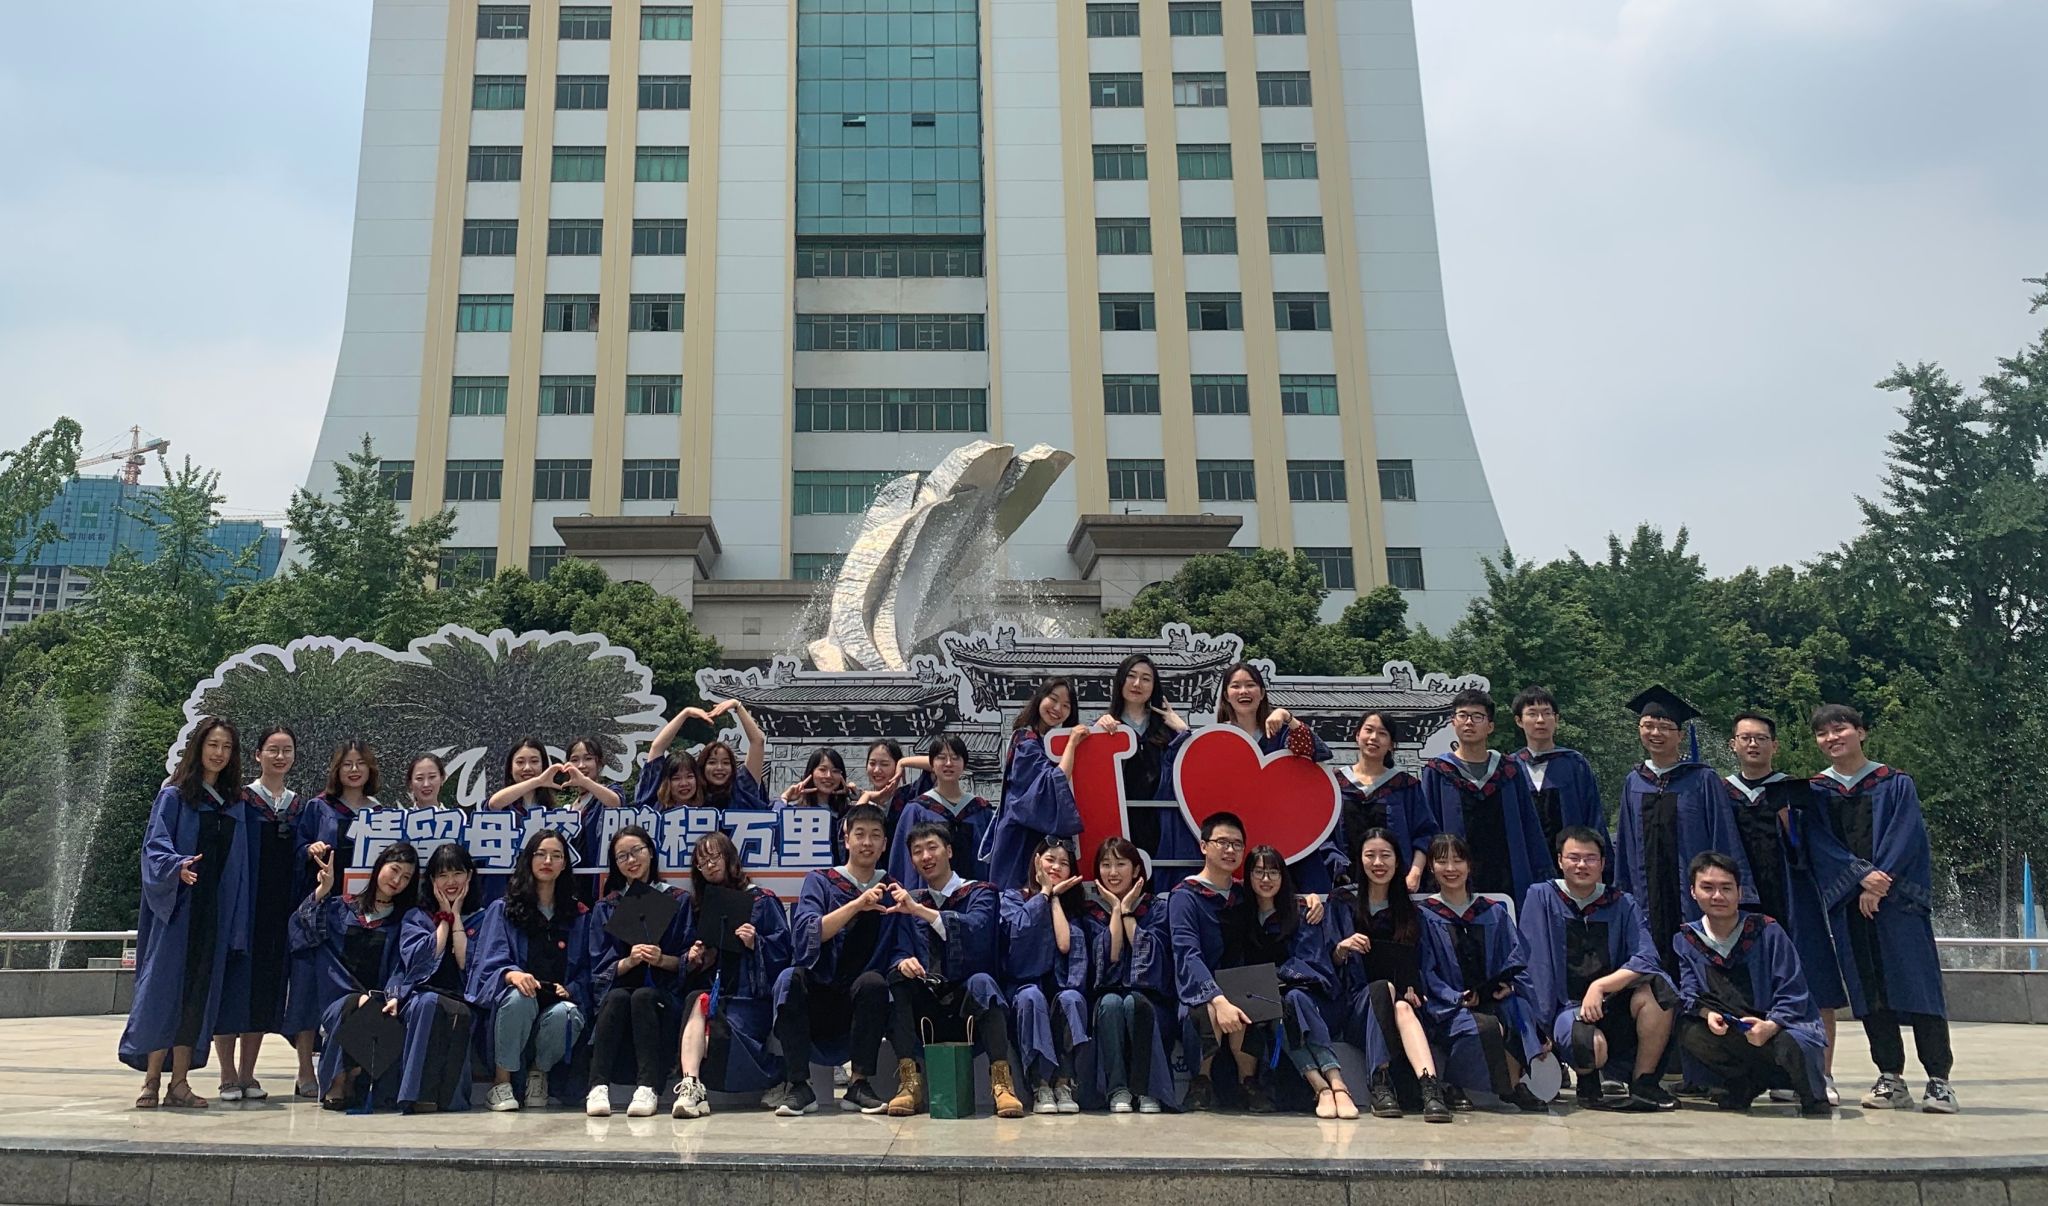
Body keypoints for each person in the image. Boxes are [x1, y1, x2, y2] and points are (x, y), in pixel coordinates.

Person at [1801, 704, 1956, 1114]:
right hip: (1851, 904)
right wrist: (1860, 878)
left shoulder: (1895, 783)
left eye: (1840, 729)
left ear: (1862, 732)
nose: (1832, 738)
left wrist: (1878, 883)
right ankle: (1890, 1076)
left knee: (1919, 988)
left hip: (1899, 904)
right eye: (1823, 733)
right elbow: (1819, 844)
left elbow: (1906, 836)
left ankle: (1939, 1081)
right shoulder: (1817, 791)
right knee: (1869, 992)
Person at [120, 717, 251, 1109]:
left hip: (213, 912)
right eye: (213, 744)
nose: (219, 753)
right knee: (164, 991)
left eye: (226, 747)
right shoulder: (175, 796)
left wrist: (237, 921)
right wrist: (176, 867)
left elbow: (240, 865)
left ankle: (179, 1082)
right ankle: (151, 1080)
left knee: (196, 997)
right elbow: (154, 847)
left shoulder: (233, 803)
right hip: (177, 909)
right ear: (198, 747)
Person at [1725, 710, 1847, 1104]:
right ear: (1733, 745)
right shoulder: (1721, 793)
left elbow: (1816, 849)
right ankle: (1773, 1073)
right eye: (1745, 738)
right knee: (1753, 988)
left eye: (1761, 738)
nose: (1753, 744)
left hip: (1794, 900)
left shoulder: (1797, 790)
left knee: (1814, 983)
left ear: (1774, 745)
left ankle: (1821, 1073)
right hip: (1743, 906)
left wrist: (1789, 825)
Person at [1516, 826, 1677, 1111]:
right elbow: (1535, 965)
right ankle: (1588, 1077)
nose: (1582, 865)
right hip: (1568, 1009)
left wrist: (1600, 986)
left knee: (1659, 991)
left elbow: (1647, 957)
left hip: (1614, 1003)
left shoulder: (1622, 903)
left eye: (1590, 858)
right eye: (1574, 857)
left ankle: (1644, 1082)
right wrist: (1539, 1026)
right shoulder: (1542, 897)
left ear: (1602, 863)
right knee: (1591, 1045)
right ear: (1560, 860)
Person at [881, 820, 1025, 1118]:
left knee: (984, 982)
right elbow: (900, 946)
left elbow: (977, 930)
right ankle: (909, 1083)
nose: (925, 856)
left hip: (966, 1004)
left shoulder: (981, 893)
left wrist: (921, 911)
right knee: (896, 979)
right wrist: (903, 961)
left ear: (948, 851)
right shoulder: (911, 900)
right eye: (917, 851)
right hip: (926, 1005)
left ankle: (1001, 1083)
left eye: (932, 847)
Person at [1672, 851, 1831, 1116]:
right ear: (1693, 892)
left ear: (1740, 892)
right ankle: (1744, 1083)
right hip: (1734, 1029)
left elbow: (1793, 989)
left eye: (1726, 888)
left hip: (1779, 1026)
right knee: (1688, 1029)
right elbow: (1689, 992)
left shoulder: (1767, 931)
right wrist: (1707, 1014)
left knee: (1794, 1043)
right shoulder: (1686, 939)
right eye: (1707, 888)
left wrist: (1771, 1025)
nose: (1717, 896)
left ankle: (1812, 1096)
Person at [1612, 685, 1754, 978]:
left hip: (1694, 899)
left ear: (1680, 735)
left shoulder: (1702, 779)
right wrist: (1622, 892)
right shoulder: (1634, 782)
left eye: (1665, 727)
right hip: (1646, 897)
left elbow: (1722, 836)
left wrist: (1728, 890)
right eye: (1648, 726)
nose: (1656, 733)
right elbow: (1625, 845)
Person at [770, 804, 901, 1116]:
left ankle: (858, 1085)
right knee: (790, 979)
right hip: (817, 997)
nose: (867, 842)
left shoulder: (893, 888)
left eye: (875, 835)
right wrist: (856, 905)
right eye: (860, 834)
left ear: (885, 844)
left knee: (875, 983)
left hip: (859, 1002)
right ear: (846, 839)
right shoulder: (821, 880)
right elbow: (807, 934)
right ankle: (799, 1086)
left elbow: (901, 943)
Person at [1415, 833, 1549, 1112]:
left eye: (1458, 860)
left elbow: (1514, 958)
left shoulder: (1492, 912)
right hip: (1449, 1007)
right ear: (1431, 868)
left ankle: (1514, 1084)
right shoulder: (1425, 915)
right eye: (1442, 861)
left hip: (1492, 998)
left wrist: (1508, 985)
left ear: (1469, 865)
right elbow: (1424, 969)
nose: (1451, 868)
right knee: (1484, 1026)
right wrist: (1456, 997)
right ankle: (1454, 1084)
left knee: (1519, 1010)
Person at [467, 830, 591, 1111]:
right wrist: (512, 974)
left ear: (564, 864)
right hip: (516, 1001)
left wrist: (571, 988)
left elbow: (588, 969)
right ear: (528, 859)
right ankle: (501, 1083)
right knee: (519, 997)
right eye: (541, 854)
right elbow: (488, 961)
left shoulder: (578, 914)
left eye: (556, 856)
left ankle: (538, 1075)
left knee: (568, 1014)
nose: (548, 861)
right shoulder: (504, 909)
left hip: (555, 1001)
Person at [1332, 830, 1451, 1121]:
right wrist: (1342, 948)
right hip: (1356, 1009)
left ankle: (1429, 1087)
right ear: (1360, 860)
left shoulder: (1410, 912)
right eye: (1370, 855)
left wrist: (1415, 988)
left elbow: (1422, 964)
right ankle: (1379, 1080)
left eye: (1385, 855)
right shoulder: (1343, 903)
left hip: (1399, 1007)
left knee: (1402, 1006)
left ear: (1398, 862)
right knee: (1382, 989)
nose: (1378, 862)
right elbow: (1328, 961)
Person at [286, 740, 381, 1097]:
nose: (354, 770)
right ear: (336, 770)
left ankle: (348, 1069)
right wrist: (308, 849)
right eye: (347, 764)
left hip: (362, 916)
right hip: (322, 911)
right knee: (309, 988)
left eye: (361, 763)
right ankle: (305, 1069)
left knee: (356, 991)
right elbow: (297, 849)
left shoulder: (380, 812)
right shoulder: (318, 808)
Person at [673, 831, 792, 1118]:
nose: (710, 865)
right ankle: (691, 1086)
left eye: (715, 857)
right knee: (696, 1000)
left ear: (729, 858)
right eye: (702, 862)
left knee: (708, 1040)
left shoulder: (762, 899)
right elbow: (685, 955)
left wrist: (755, 943)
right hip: (712, 994)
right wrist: (695, 958)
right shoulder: (698, 906)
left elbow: (784, 951)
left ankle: (779, 1074)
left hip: (748, 999)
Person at [294, 841, 420, 1110]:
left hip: (381, 1001)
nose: (397, 881)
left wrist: (394, 996)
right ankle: (345, 1077)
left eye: (406, 877)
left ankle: (344, 1078)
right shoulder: (342, 907)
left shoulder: (403, 921)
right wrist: (323, 889)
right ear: (379, 866)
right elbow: (302, 929)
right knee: (352, 1004)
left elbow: (402, 966)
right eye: (394, 870)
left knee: (372, 1011)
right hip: (336, 996)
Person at [1235, 844, 1357, 1118]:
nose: (1266, 879)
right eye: (1258, 872)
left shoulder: (1302, 913)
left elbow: (1312, 965)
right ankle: (1326, 1087)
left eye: (1273, 872)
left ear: (1283, 876)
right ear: (1248, 876)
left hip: (1313, 1002)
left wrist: (1274, 980)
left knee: (1291, 999)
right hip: (1267, 1005)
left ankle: (1333, 1084)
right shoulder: (1242, 917)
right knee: (1280, 1005)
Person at [213, 723, 297, 1102]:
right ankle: (227, 1074)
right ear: (257, 755)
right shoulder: (240, 800)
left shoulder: (297, 805)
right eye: (273, 750)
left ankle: (248, 1073)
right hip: (241, 908)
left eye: (287, 750)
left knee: (263, 989)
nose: (280, 757)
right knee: (233, 987)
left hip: (277, 911)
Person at [585, 825, 693, 1117]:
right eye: (622, 856)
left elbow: (687, 960)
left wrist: (661, 959)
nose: (631, 860)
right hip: (621, 992)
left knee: (644, 996)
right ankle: (597, 1086)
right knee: (618, 997)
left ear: (651, 852)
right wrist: (630, 961)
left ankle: (648, 1088)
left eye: (636, 851)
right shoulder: (607, 906)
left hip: (663, 995)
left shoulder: (677, 900)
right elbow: (598, 969)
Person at [1203, 662, 1338, 892]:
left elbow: (1318, 753)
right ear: (1225, 695)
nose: (1243, 691)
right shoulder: (1218, 737)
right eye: (1235, 686)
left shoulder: (1281, 733)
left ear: (1262, 692)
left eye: (1250, 685)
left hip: (1286, 831)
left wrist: (1287, 717)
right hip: (1239, 837)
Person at [1421, 689, 1551, 904]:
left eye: (1477, 716)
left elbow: (1530, 826)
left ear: (1490, 726)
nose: (1469, 722)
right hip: (1454, 876)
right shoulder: (1438, 772)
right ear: (1453, 723)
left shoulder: (1509, 770)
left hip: (1507, 876)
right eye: (1462, 715)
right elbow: (1428, 828)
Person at [1079, 837, 1173, 1113]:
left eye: (1120, 864)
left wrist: (1128, 911)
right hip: (1108, 999)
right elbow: (1110, 956)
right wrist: (1115, 909)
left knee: (1135, 1003)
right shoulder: (1091, 913)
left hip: (1151, 1000)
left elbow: (1149, 956)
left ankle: (1146, 1090)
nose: (1113, 872)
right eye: (1106, 865)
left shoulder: (1157, 908)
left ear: (1136, 870)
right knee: (1110, 1004)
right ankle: (1117, 1089)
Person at [1169, 811, 1254, 1112]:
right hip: (1201, 987)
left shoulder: (1244, 894)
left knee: (1254, 999)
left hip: (1240, 983)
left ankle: (1249, 1083)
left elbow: (1280, 907)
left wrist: (1309, 901)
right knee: (1206, 1010)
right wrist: (1217, 999)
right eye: (1222, 842)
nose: (1230, 850)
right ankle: (1201, 1081)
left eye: (1237, 844)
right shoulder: (1185, 896)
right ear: (1204, 846)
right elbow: (1187, 953)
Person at [388, 842, 480, 1113]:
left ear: (469, 876)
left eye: (457, 873)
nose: (451, 882)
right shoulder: (416, 917)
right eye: (442, 875)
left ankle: (444, 1096)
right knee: (427, 1002)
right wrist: (443, 918)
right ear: (431, 880)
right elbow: (418, 960)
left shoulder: (483, 917)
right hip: (418, 998)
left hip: (463, 998)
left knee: (445, 1007)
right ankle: (416, 1095)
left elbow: (467, 964)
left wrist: (456, 915)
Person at [1091, 654, 1195, 891]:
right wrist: (1097, 733)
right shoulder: (1107, 726)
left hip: (1160, 820)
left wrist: (1183, 730)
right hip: (1120, 819)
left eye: (1146, 679)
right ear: (1120, 681)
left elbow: (1192, 768)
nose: (1137, 684)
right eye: (1132, 676)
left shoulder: (1166, 729)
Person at [1002, 837, 1090, 1114]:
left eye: (1064, 863)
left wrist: (1054, 899)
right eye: (1050, 860)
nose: (1056, 867)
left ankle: (1064, 1082)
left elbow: (1065, 945)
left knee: (1072, 999)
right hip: (1024, 986)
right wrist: (1042, 895)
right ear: (1036, 862)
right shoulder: (1013, 898)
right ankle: (1039, 1084)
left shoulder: (1076, 908)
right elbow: (1018, 935)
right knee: (1031, 998)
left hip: (1061, 987)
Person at [986, 678, 1086, 890]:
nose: (1057, 709)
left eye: (1066, 705)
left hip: (1039, 833)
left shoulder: (1047, 741)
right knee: (1017, 895)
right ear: (1040, 697)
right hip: (1020, 836)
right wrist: (1072, 742)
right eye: (1053, 699)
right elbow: (1052, 782)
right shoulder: (1026, 742)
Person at [1336, 711, 1435, 893]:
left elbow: (1425, 833)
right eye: (1369, 730)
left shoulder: (1405, 786)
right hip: (1345, 886)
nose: (1374, 737)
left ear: (1391, 744)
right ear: (1357, 735)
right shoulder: (1335, 784)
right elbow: (1324, 837)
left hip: (1399, 886)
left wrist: (1415, 873)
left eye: (1382, 733)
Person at [1509, 686, 1609, 857]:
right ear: (1519, 721)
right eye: (1532, 714)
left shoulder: (1575, 764)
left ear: (1556, 719)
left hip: (1572, 862)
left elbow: (1593, 816)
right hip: (1524, 860)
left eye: (1547, 713)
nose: (1540, 720)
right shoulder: (1511, 768)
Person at [884, 735, 996, 885]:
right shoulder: (917, 809)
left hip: (975, 895)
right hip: (927, 897)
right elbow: (903, 863)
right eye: (941, 758)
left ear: (964, 764)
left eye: (955, 758)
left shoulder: (980, 810)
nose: (948, 763)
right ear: (931, 764)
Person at [636, 702, 731, 808]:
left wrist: (738, 706)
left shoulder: (710, 807)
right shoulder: (652, 805)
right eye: (676, 778)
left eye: (689, 776)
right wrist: (686, 713)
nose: (684, 783)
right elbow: (657, 747)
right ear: (667, 782)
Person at [562, 736, 626, 874]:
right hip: (575, 878)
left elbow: (615, 803)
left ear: (600, 763)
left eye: (588, 758)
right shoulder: (569, 808)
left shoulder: (610, 791)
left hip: (602, 876)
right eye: (574, 760)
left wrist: (584, 781)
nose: (581, 765)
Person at [699, 700, 770, 808]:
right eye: (712, 762)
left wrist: (737, 705)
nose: (719, 768)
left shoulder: (742, 787)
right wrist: (686, 713)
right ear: (702, 766)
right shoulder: (693, 794)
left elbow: (758, 742)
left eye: (726, 763)